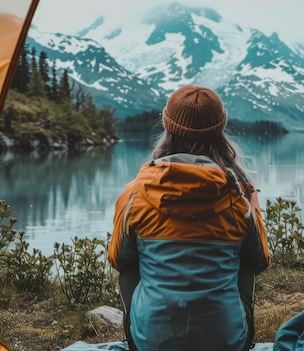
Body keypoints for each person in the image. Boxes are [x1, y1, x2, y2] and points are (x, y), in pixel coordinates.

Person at [108, 85, 271, 351]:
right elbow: (260, 260)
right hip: (227, 343)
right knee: (246, 261)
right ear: (220, 130)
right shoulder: (240, 193)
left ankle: (138, 337)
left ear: (167, 126)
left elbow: (117, 259)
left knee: (129, 263)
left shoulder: (136, 192)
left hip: (152, 343)